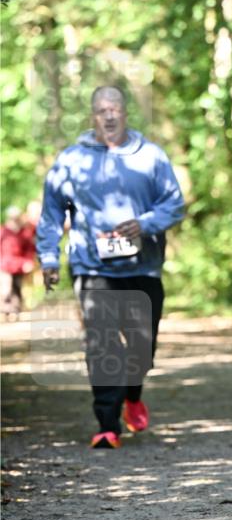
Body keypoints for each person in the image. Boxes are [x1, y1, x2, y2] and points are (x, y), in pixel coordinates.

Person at [36, 86, 184, 448]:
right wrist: (50, 257)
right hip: (91, 266)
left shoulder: (150, 156)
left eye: (115, 108)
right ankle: (106, 423)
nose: (109, 115)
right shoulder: (71, 160)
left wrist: (145, 223)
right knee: (101, 346)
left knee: (139, 350)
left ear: (125, 112)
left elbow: (174, 203)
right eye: (102, 109)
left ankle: (133, 394)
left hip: (142, 268)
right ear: (93, 115)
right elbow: (53, 210)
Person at [1, 205, 36, 318]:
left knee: (17, 287)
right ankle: (5, 310)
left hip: (19, 265)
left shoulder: (24, 233)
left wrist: (28, 262)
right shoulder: (3, 232)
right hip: (4, 265)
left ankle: (15, 311)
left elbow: (30, 249)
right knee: (5, 288)